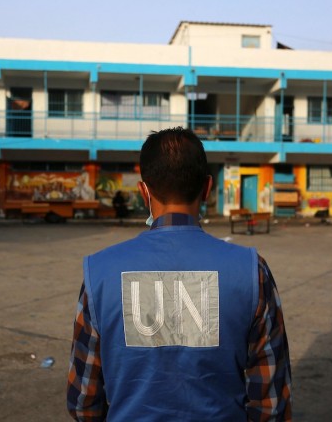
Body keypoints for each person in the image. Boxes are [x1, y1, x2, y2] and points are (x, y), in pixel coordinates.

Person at [67, 127, 292, 421]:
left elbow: (83, 401)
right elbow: (272, 403)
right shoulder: (252, 271)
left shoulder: (100, 273)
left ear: (144, 192)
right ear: (207, 188)